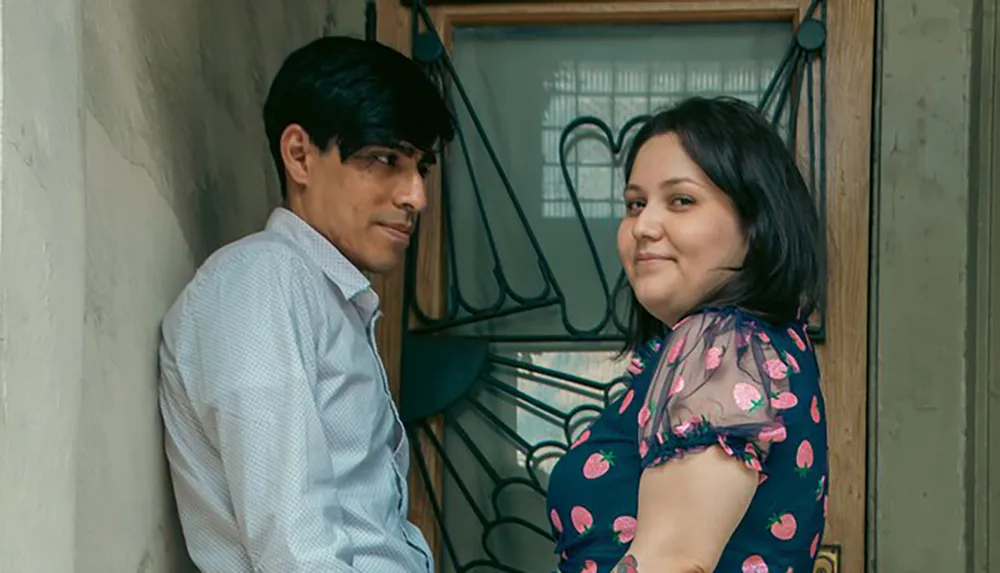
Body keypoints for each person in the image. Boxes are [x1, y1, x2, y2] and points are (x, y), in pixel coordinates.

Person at [157, 36, 454, 572]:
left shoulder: (325, 296)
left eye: (421, 167)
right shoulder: (262, 282)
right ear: (299, 155)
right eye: (385, 159)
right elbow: (296, 549)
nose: (415, 196)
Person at [545, 96, 828, 573]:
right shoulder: (763, 344)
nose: (643, 226)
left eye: (681, 200)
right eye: (635, 204)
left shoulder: (720, 343)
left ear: (755, 223)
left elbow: (672, 563)